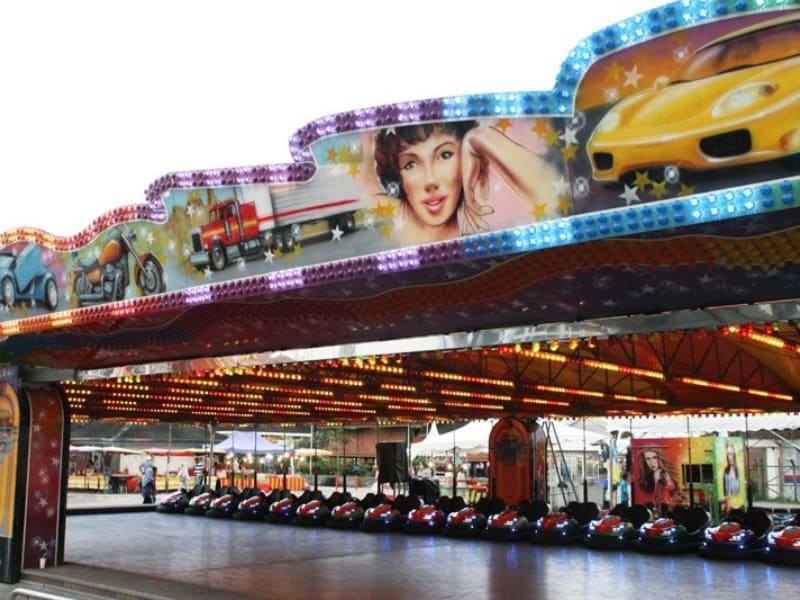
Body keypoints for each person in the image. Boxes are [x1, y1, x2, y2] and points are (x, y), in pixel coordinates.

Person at [373, 119, 559, 246]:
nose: (430, 180)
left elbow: (559, 201)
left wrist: (481, 137)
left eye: (445, 155)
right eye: (411, 164)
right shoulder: (381, 211)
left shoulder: (479, 239)